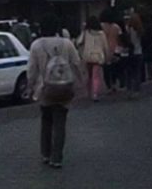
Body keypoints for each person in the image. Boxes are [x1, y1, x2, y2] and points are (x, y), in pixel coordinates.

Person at [27, 15, 85, 168]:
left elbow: (32, 70)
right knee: (60, 122)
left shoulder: (36, 45)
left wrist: (30, 86)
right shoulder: (67, 44)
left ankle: (45, 153)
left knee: (46, 121)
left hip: (44, 88)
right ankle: (57, 157)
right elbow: (76, 63)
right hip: (65, 87)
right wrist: (80, 84)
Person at [76, 16, 110, 101]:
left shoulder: (86, 32)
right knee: (96, 76)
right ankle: (95, 94)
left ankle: (88, 92)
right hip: (98, 56)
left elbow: (78, 42)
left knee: (89, 76)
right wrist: (107, 56)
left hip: (87, 56)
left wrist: (83, 31)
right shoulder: (101, 34)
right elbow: (105, 46)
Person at [100, 10, 123, 94]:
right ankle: (114, 84)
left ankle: (108, 86)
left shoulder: (101, 27)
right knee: (115, 69)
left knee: (106, 70)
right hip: (115, 49)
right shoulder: (116, 27)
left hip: (104, 50)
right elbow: (120, 38)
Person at [124, 12, 145, 98]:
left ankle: (129, 90)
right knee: (137, 72)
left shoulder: (128, 29)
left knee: (129, 73)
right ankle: (137, 90)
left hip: (129, 53)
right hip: (139, 52)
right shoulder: (140, 30)